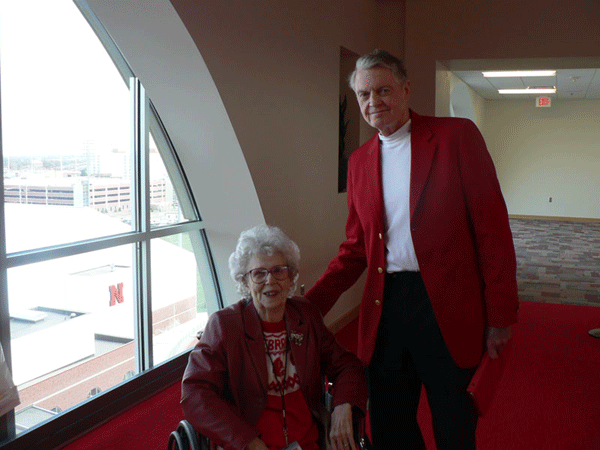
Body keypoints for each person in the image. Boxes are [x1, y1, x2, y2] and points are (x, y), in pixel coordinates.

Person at [305, 49, 519, 449]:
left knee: (453, 423)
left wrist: (500, 314)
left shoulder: (457, 137)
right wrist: (306, 308)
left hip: (447, 305)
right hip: (384, 307)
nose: (374, 102)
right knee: (389, 425)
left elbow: (493, 233)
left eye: (384, 90)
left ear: (405, 89)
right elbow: (355, 250)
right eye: (364, 95)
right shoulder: (359, 162)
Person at [181, 224, 368, 450]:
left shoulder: (306, 316)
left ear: (291, 277)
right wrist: (246, 440)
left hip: (307, 441)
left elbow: (346, 365)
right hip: (250, 444)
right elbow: (195, 391)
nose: (270, 281)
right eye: (259, 273)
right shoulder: (225, 325)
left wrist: (342, 406)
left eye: (279, 270)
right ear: (244, 282)